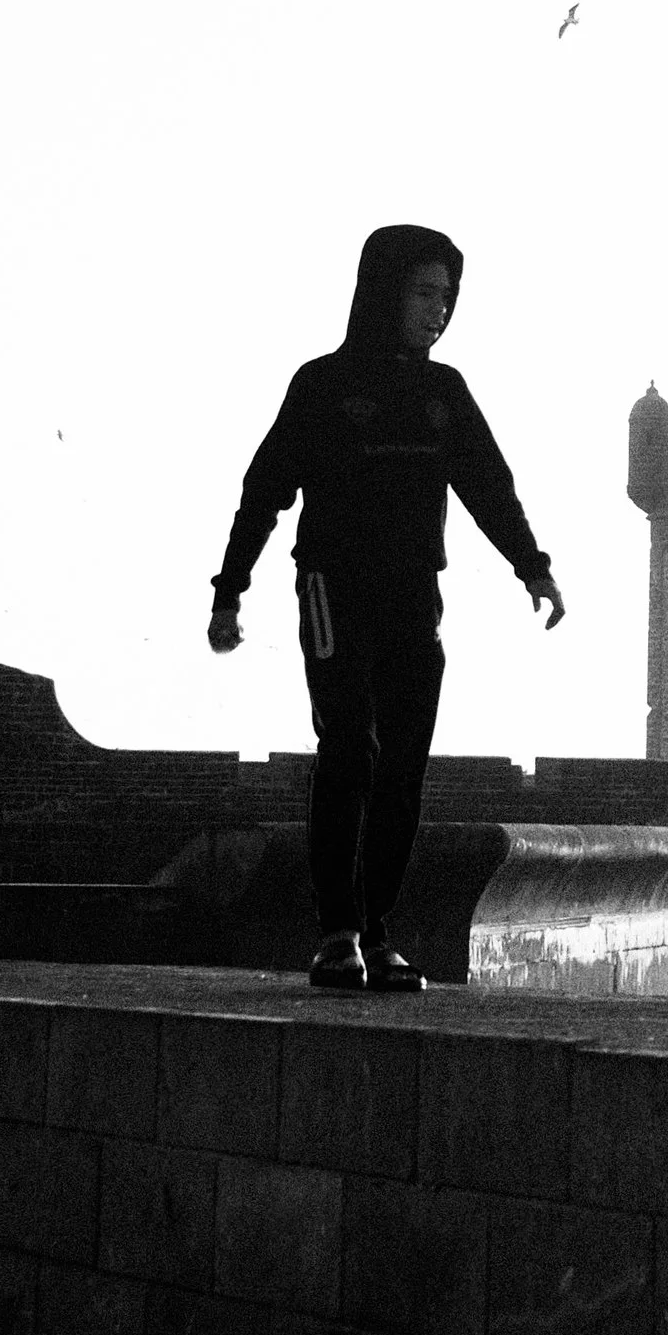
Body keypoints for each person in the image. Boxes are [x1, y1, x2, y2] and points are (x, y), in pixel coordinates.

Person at [207, 223, 564, 991]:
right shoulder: (323, 385)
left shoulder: (445, 394)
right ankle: (336, 932)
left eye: (448, 296)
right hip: (334, 588)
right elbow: (264, 489)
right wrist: (229, 590)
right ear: (384, 291)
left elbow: (488, 486)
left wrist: (532, 567)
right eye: (425, 293)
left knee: (403, 766)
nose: (439, 310)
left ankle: (377, 927)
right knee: (349, 747)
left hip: (413, 597)